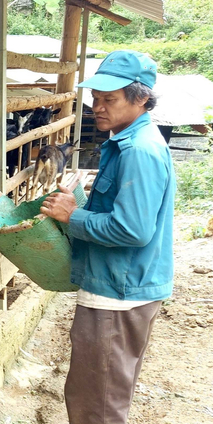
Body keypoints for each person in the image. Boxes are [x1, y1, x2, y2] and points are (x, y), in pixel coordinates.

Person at [39, 50, 176, 424]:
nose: (98, 107)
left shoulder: (139, 151)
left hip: (118, 290)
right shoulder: (127, 141)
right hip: (120, 283)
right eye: (96, 99)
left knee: (95, 403)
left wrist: (73, 216)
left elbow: (132, 230)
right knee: (103, 393)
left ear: (141, 97)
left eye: (109, 100)